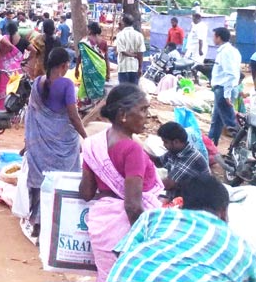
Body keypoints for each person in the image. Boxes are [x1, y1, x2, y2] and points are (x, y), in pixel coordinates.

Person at [79, 84, 164, 281]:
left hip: (102, 226)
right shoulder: (132, 149)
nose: (147, 115)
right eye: (143, 109)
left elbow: (86, 193)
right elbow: (133, 206)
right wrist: (147, 240)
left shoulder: (93, 144)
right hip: (124, 230)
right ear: (123, 114)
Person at [108, 174, 256, 282]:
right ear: (223, 212)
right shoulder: (241, 247)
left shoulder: (153, 217)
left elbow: (123, 256)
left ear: (183, 204)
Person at [24, 48, 86, 235]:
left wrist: (28, 143)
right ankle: (54, 222)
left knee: (40, 181)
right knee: (61, 181)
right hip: (62, 146)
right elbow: (74, 117)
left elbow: (32, 115)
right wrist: (86, 137)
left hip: (40, 145)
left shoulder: (37, 82)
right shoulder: (66, 85)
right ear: (64, 65)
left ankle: (37, 221)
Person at [150, 121, 210, 199]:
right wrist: (141, 152)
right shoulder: (175, 151)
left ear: (176, 142)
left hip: (193, 202)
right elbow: (158, 162)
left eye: (165, 142)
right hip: (177, 197)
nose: (164, 145)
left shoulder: (191, 157)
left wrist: (143, 184)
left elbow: (167, 184)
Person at [208, 27, 241, 145]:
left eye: (214, 36)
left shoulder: (226, 52)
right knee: (216, 121)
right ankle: (211, 145)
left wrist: (227, 94)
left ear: (219, 37)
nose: (213, 38)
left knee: (230, 123)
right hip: (223, 89)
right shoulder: (231, 51)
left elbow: (231, 74)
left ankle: (243, 146)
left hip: (223, 90)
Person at [75, 21, 109, 109]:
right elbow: (106, 59)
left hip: (88, 70)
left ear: (90, 29)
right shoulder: (103, 42)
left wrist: (76, 69)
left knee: (87, 87)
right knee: (98, 89)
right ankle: (97, 108)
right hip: (101, 69)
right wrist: (108, 73)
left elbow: (80, 56)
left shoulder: (84, 41)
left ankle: (87, 106)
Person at [115, 14, 145, 84]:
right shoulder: (139, 35)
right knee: (134, 92)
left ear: (123, 23)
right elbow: (140, 53)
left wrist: (133, 55)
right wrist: (140, 68)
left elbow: (122, 51)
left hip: (123, 68)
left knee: (123, 92)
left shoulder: (120, 35)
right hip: (135, 67)